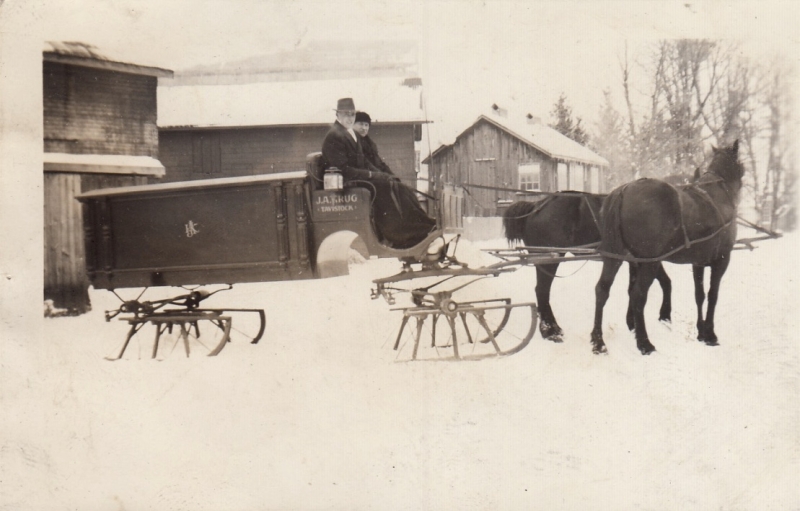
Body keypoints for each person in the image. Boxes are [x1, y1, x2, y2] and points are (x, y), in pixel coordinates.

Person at [321, 98, 437, 250]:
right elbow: (344, 169)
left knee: (399, 186)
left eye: (352, 114)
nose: (350, 118)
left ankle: (420, 226)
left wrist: (382, 174)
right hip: (349, 183)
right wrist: (372, 175)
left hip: (359, 179)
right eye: (345, 114)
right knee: (383, 188)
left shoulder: (350, 134)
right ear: (337, 115)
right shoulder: (334, 136)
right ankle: (397, 235)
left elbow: (364, 161)